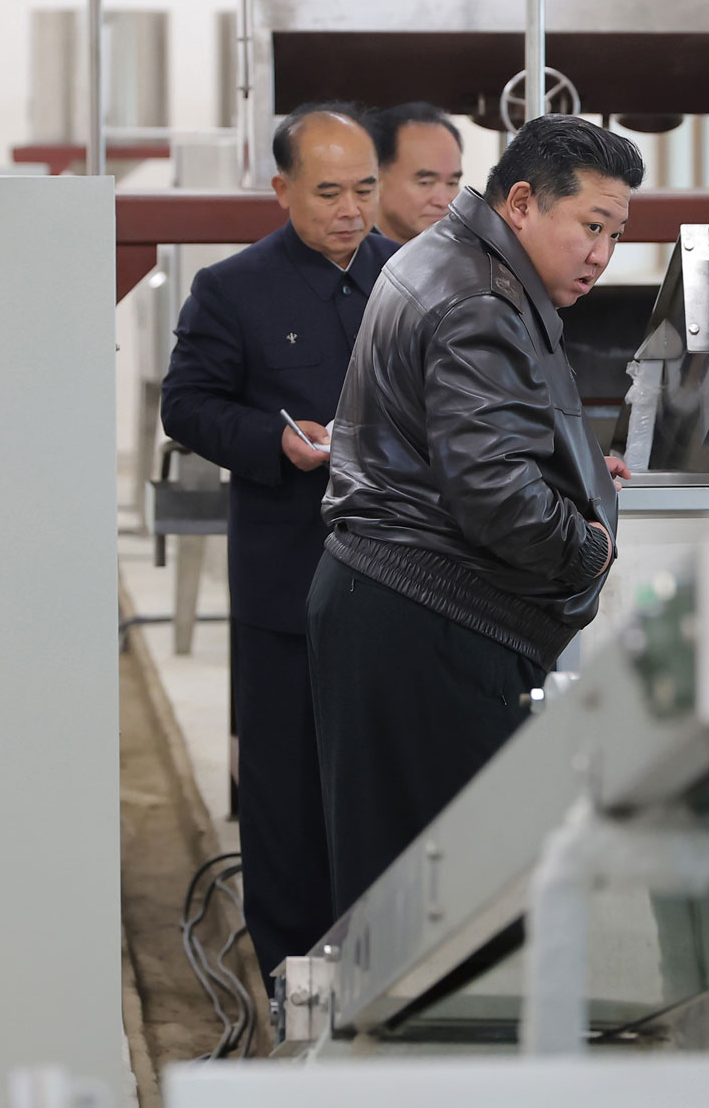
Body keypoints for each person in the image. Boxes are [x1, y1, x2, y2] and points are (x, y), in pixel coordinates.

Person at [308, 113, 641, 912]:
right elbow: (493, 493)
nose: (601, 253)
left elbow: (464, 439)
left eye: (615, 234)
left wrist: (580, 469)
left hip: (391, 604)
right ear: (522, 203)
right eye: (590, 226)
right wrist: (588, 545)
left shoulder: (445, 260)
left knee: (399, 897)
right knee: (453, 913)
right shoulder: (482, 297)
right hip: (433, 624)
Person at [160, 102, 395, 982]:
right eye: (328, 191)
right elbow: (186, 405)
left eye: (365, 188)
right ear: (282, 189)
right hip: (288, 586)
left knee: (377, 787)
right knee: (287, 793)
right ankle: (289, 979)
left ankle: (378, 972)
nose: (350, 209)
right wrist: (274, 441)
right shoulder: (234, 289)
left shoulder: (410, 278)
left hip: (400, 581)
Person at [368, 103, 463, 244]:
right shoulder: (347, 256)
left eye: (452, 183)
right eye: (425, 183)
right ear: (377, 177)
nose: (443, 202)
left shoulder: (470, 257)